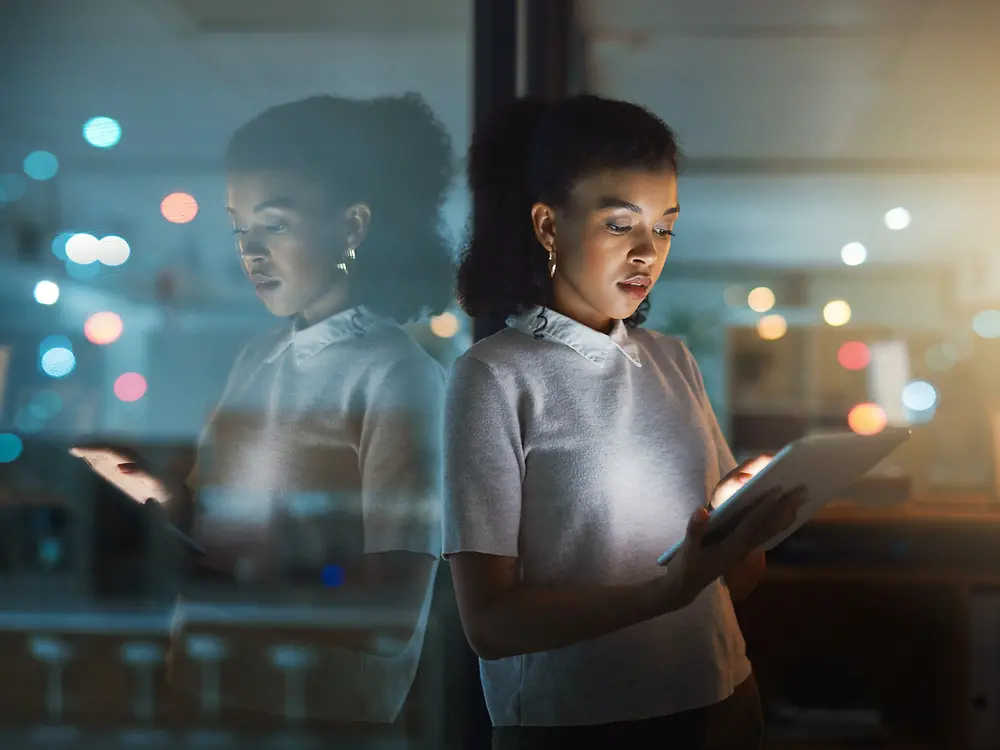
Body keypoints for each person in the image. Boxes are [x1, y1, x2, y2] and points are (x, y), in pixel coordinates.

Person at [444, 94, 806, 749]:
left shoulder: (672, 359)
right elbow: (489, 625)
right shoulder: (494, 376)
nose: (648, 253)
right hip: (578, 725)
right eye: (620, 225)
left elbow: (735, 580)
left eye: (664, 227)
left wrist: (748, 531)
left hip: (724, 701)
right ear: (548, 227)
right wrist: (667, 590)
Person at [89, 94, 453, 734]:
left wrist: (200, 569)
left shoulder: (398, 375)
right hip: (205, 696)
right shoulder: (259, 355)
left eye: (276, 224)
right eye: (239, 228)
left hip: (318, 722)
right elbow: (213, 525)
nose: (250, 251)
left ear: (352, 227)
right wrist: (140, 485)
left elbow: (389, 613)